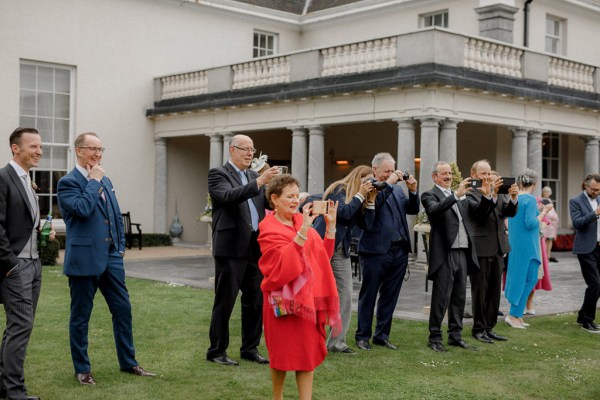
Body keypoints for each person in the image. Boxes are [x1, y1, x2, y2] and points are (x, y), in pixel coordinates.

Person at [57, 132, 156, 385]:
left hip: (111, 258)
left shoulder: (105, 180)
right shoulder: (67, 182)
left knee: (123, 310)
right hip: (84, 260)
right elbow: (81, 209)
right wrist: (93, 181)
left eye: (101, 149)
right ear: (79, 150)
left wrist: (120, 249)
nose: (98, 154)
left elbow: (113, 215)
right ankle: (82, 369)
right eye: (93, 149)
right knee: (81, 316)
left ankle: (129, 362)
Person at [257, 174, 341, 400]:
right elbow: (281, 268)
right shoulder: (268, 227)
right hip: (282, 303)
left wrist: (330, 227)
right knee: (281, 356)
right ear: (274, 199)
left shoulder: (299, 222)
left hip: (307, 303)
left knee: (306, 354)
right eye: (289, 197)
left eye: (297, 196)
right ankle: (278, 398)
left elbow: (320, 259)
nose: (295, 201)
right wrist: (303, 231)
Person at [206, 134, 280, 365]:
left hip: (256, 247)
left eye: (252, 149)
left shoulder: (252, 176)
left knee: (255, 300)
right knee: (225, 300)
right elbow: (228, 197)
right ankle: (217, 351)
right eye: (245, 149)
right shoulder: (218, 174)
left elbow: (266, 203)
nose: (250, 153)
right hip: (230, 247)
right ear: (232, 150)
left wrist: (282, 192)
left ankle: (250, 348)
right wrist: (259, 182)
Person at [0, 127, 54, 400]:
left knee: (20, 327)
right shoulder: (3, 178)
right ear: (15, 148)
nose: (39, 152)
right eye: (33, 146)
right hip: (17, 267)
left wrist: (41, 231)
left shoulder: (28, 180)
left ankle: (4, 386)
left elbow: (21, 222)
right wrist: (10, 263)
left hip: (34, 264)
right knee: (20, 327)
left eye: (40, 147)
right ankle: (15, 392)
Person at [421, 161, 492, 352]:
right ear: (435, 177)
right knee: (441, 298)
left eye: (450, 174)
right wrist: (455, 195)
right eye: (444, 174)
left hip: (463, 251)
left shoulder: (462, 196)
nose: (448, 177)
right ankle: (435, 338)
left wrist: (486, 196)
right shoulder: (429, 195)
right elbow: (435, 211)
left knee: (459, 297)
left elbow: (480, 215)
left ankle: (455, 335)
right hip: (445, 253)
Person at [355, 152, 419, 351]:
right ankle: (362, 336)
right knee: (369, 294)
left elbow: (412, 210)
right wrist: (390, 183)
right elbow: (377, 202)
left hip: (399, 249)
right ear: (375, 170)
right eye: (386, 171)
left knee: (390, 295)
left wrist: (413, 191)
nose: (390, 174)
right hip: (375, 250)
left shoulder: (397, 190)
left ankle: (381, 335)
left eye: (392, 170)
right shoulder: (368, 185)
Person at [313, 165, 373, 354]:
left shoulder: (361, 197)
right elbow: (344, 212)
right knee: (316, 294)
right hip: (321, 245)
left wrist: (370, 202)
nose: (368, 185)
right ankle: (313, 339)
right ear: (357, 177)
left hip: (341, 249)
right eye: (366, 181)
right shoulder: (338, 189)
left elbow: (367, 225)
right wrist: (361, 195)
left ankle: (337, 342)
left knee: (346, 294)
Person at [466, 160, 518, 344]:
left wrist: (513, 199)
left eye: (489, 173)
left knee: (495, 291)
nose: (487, 177)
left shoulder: (498, 191)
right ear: (474, 175)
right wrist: (490, 195)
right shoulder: (471, 193)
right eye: (483, 174)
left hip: (498, 247)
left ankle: (490, 327)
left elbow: (507, 213)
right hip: (480, 248)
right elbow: (479, 215)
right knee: (480, 291)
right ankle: (478, 329)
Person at [504, 169, 553, 329]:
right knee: (529, 278)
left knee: (523, 278)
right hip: (528, 244)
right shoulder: (531, 200)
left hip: (517, 243)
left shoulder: (516, 198)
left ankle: (516, 314)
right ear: (535, 183)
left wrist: (538, 212)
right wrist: (544, 211)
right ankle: (513, 315)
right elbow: (531, 224)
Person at [569, 174, 600, 333]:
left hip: (599, 247)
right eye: (594, 189)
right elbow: (577, 223)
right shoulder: (575, 201)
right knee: (595, 284)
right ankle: (587, 321)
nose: (596, 192)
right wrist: (595, 213)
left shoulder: (599, 198)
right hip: (586, 248)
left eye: (599, 190)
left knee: (598, 286)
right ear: (585, 186)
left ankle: (582, 315)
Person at [524, 196, 554, 315]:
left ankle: (529, 303)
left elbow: (542, 229)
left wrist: (542, 213)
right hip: (524, 244)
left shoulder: (541, 212)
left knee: (534, 274)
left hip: (538, 244)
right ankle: (519, 304)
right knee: (523, 275)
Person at [541, 186, 560, 262]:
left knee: (550, 240)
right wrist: (551, 216)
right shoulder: (542, 200)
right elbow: (544, 211)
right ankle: (544, 256)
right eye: (545, 191)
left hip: (552, 224)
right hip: (546, 222)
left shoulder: (550, 200)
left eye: (548, 192)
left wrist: (555, 217)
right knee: (545, 240)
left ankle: (548, 256)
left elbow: (553, 211)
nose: (546, 193)